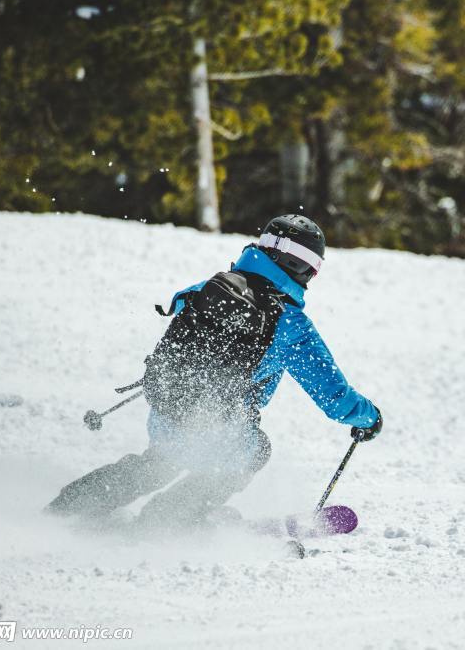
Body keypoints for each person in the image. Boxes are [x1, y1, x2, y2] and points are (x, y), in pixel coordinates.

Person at [46, 214, 382, 530]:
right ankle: (166, 521)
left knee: (160, 463)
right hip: (218, 422)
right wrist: (369, 418)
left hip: (168, 403)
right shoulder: (291, 325)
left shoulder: (213, 285)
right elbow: (335, 398)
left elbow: (178, 302)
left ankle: (70, 505)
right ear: (304, 270)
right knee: (254, 451)